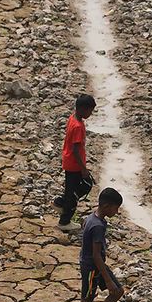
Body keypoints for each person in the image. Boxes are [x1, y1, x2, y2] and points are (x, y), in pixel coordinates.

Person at [67, 187, 125, 302]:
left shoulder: (92, 218)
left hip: (95, 264)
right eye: (115, 208)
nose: (116, 211)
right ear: (107, 206)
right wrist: (107, 280)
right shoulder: (98, 226)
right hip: (92, 267)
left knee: (118, 291)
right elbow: (95, 255)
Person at [55, 94, 96, 231]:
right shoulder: (78, 126)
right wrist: (83, 169)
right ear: (83, 109)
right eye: (90, 111)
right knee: (83, 187)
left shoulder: (73, 118)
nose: (90, 114)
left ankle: (61, 203)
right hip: (74, 165)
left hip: (69, 162)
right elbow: (76, 150)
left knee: (71, 190)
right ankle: (64, 219)